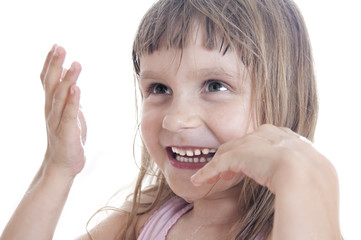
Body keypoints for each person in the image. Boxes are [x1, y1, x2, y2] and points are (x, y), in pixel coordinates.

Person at [0, 0, 342, 239]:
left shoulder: (290, 228)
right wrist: (57, 167)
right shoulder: (151, 219)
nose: (176, 120)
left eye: (214, 85)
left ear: (284, 96)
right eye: (159, 87)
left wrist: (304, 179)